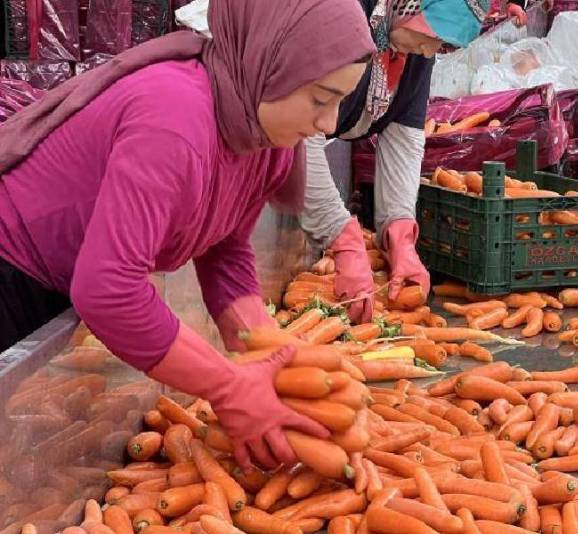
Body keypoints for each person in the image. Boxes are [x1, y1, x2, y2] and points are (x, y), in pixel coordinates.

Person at [0, 0, 377, 471]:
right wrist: (228, 386)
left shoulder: (262, 139)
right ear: (268, 62)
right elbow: (108, 290)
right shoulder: (173, 118)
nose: (328, 123)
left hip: (59, 276)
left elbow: (227, 251)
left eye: (340, 101)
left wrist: (273, 363)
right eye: (321, 99)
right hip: (10, 267)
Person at [300, 0, 491, 323]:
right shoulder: (339, 17)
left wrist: (401, 235)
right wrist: (342, 239)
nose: (432, 51)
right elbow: (298, 137)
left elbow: (403, 134)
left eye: (444, 45)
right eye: (436, 32)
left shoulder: (411, 47)